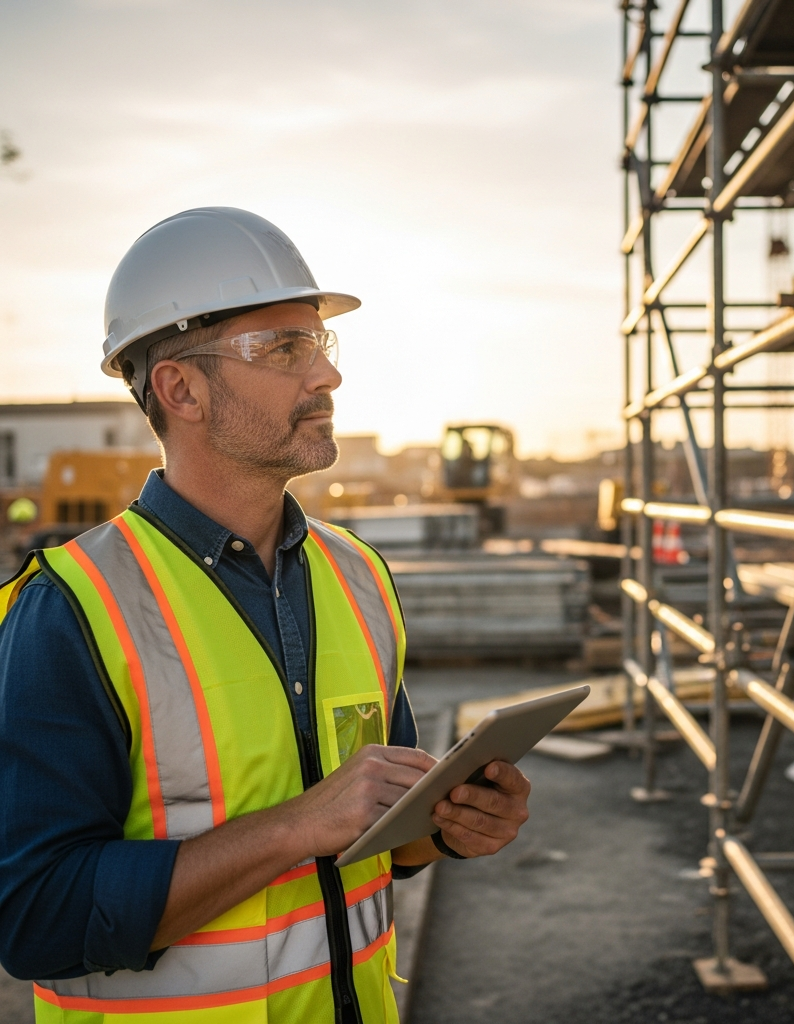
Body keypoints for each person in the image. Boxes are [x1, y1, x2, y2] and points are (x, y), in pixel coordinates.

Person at [0, 208, 531, 1024]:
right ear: (181, 388)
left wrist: (449, 827)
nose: (326, 376)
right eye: (285, 348)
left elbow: (375, 838)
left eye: (319, 344)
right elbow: (36, 919)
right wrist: (292, 828)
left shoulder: (358, 577)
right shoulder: (70, 609)